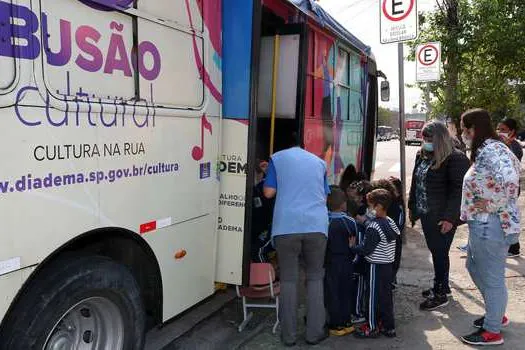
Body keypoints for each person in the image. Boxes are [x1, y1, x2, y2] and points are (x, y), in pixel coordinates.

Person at [459, 109, 521, 346]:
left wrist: (492, 202)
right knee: (474, 266)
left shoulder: (492, 149)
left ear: (474, 129)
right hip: (484, 223)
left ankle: (492, 330)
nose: (464, 134)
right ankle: (497, 313)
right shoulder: (491, 148)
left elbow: (512, 181)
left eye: (465, 129)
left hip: (491, 224)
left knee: (492, 277)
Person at [263, 133, 330, 347]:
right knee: (315, 278)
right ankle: (314, 333)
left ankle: (289, 336)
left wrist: (269, 175)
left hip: (287, 227)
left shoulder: (277, 159)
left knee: (289, 281)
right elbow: (324, 196)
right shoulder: (319, 163)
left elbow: (268, 193)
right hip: (316, 226)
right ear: (303, 145)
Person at [408, 120, 470, 311]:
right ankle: (442, 285)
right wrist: (412, 206)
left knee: (440, 252)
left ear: (440, 139)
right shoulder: (423, 154)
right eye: (424, 137)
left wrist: (450, 218)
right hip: (426, 212)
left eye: (429, 138)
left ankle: (440, 292)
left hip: (443, 216)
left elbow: (458, 191)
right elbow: (416, 182)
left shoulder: (455, 158)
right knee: (437, 251)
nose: (425, 141)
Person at [350, 189, 400, 338]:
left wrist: (353, 247)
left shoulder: (374, 227)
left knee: (371, 298)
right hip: (387, 266)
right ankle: (388, 326)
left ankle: (371, 327)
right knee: (385, 297)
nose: (369, 210)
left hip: (375, 266)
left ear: (378, 206)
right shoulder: (390, 222)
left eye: (371, 206)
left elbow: (366, 249)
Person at [325, 188, 357, 336]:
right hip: (347, 261)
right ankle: (347, 322)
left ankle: (335, 324)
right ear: (344, 204)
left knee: (332, 292)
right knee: (346, 291)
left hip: (331, 262)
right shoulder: (350, 221)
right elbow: (355, 241)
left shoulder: (325, 221)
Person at [497, 118, 523, 257]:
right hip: (501, 187)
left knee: (507, 217)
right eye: (499, 129)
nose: (500, 132)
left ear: (512, 131)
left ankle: (514, 248)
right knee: (503, 217)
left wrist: (505, 147)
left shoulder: (515, 146)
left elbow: (511, 166)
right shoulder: (501, 144)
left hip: (510, 188)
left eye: (503, 130)